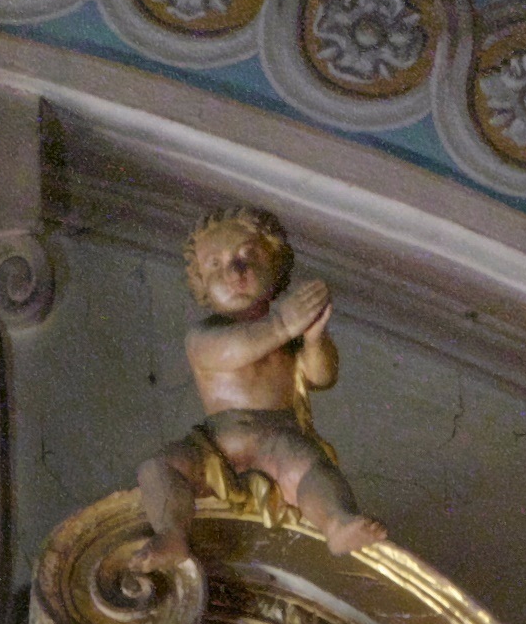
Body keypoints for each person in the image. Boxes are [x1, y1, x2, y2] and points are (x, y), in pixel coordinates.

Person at [134, 204, 381, 572]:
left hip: (277, 439)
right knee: (160, 466)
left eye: (247, 257)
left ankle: (336, 523)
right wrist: (283, 323)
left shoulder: (287, 339)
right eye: (214, 265)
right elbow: (235, 349)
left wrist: (314, 340)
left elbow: (321, 377)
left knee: (310, 468)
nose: (234, 272)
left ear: (276, 265)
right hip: (215, 444)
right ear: (200, 282)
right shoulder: (204, 336)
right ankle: (171, 534)